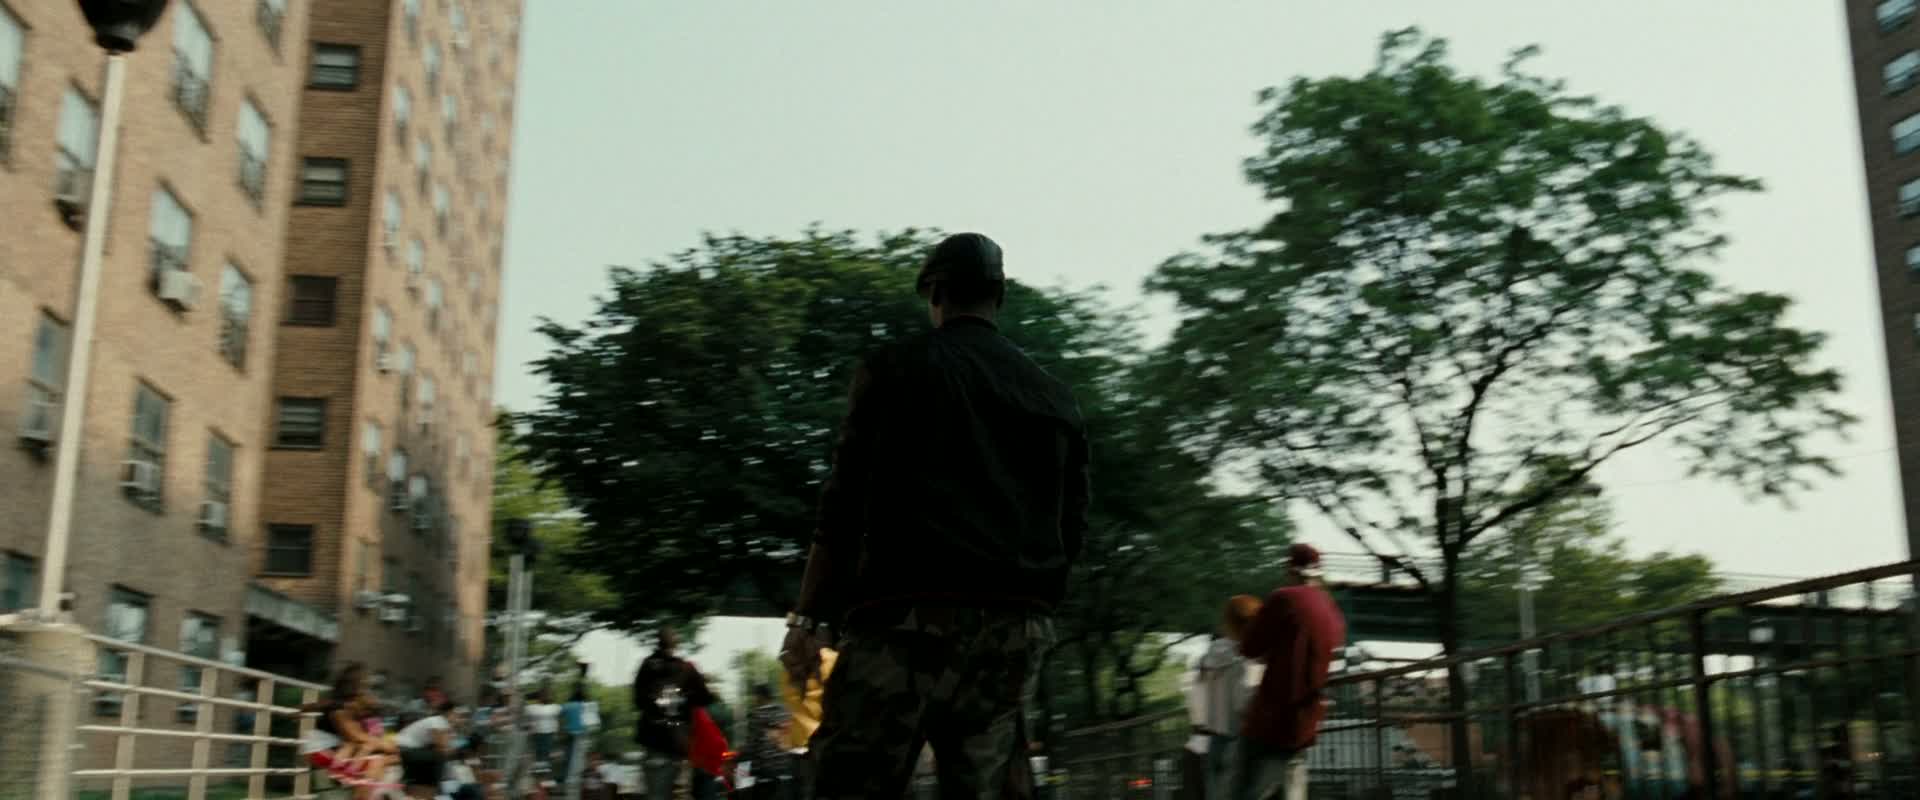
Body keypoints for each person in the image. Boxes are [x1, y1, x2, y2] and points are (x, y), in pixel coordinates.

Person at [781, 232, 1092, 799]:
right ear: (999, 296)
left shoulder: (894, 369)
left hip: (904, 620)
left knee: (848, 783)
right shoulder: (1054, 397)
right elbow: (1071, 529)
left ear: (936, 294)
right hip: (1014, 629)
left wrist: (810, 619)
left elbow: (843, 505)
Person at [1231, 544, 1347, 800]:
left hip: (1269, 719)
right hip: (1304, 723)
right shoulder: (1333, 613)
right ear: (1318, 572)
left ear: (1290, 569)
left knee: (1244, 791)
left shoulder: (1283, 598)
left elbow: (1249, 647)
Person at [1189, 595, 1262, 800]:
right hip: (1240, 740)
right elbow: (1243, 703)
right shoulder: (1248, 659)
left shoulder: (1212, 652)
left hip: (1213, 740)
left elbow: (1197, 693)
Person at [633, 626, 716, 800]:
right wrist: (687, 698)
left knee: (655, 794)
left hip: (653, 741)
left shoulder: (646, 666)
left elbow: (638, 701)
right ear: (676, 644)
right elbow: (706, 698)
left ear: (657, 642)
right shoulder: (686, 668)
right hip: (679, 744)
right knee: (680, 794)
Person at [394, 698, 464, 798]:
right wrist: (457, 748)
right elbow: (443, 748)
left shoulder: (442, 724)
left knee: (437, 756)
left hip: (409, 749)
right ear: (449, 713)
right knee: (439, 756)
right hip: (403, 748)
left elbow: (446, 747)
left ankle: (434, 791)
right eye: (457, 715)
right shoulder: (439, 721)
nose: (459, 718)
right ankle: (436, 791)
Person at [743, 683, 793, 800]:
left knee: (742, 776)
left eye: (755, 696)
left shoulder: (756, 714)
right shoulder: (785, 711)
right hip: (785, 762)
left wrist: (740, 758)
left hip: (764, 766)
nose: (754, 699)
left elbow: (752, 744)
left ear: (760, 696)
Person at [524, 688, 563, 775]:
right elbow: (559, 713)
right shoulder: (555, 708)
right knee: (545, 753)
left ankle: (540, 772)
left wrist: (530, 697)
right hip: (547, 734)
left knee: (540, 754)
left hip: (538, 734)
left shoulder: (531, 708)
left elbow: (525, 705)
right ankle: (543, 772)